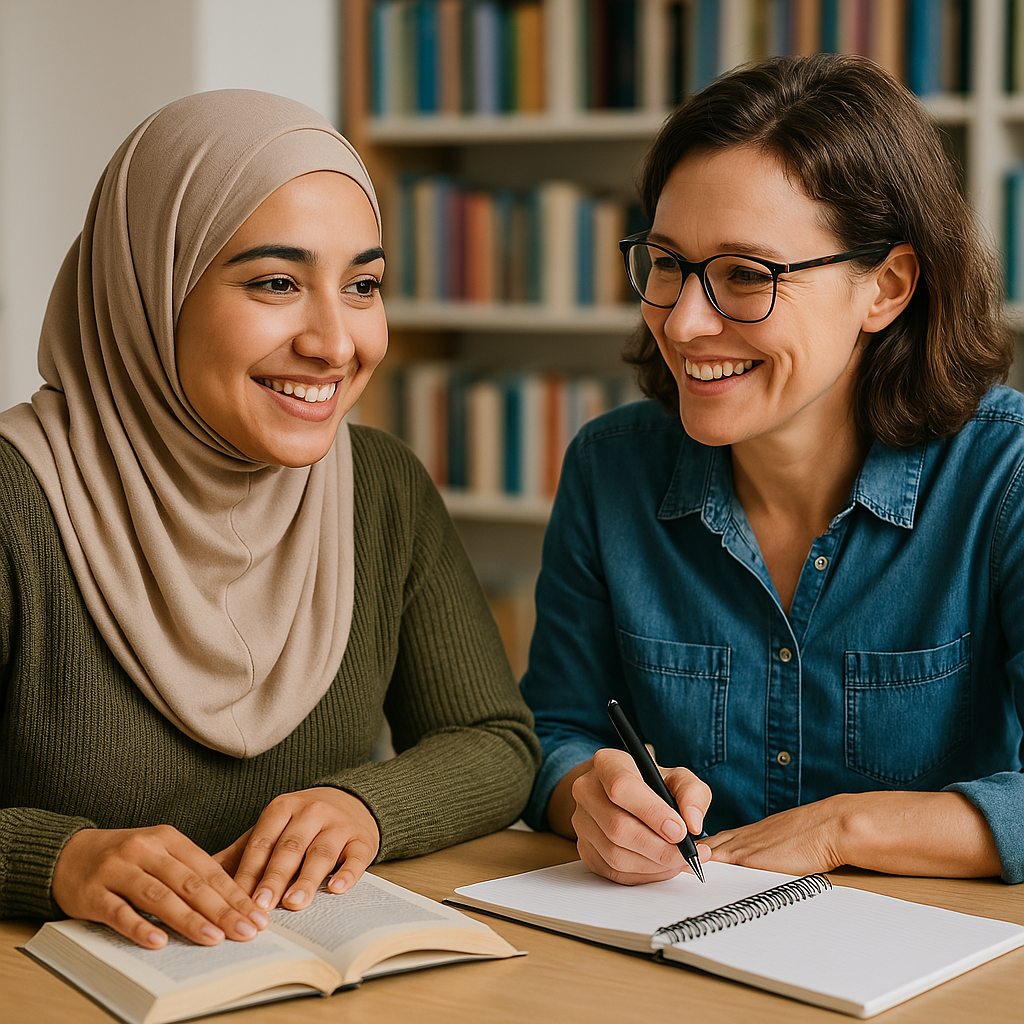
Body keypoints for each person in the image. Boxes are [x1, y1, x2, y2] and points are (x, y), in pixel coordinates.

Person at [0, 89, 539, 949]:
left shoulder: (382, 486)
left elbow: (494, 742)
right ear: (153, 284)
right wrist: (55, 857)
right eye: (276, 283)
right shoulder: (13, 499)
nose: (335, 341)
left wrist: (366, 805)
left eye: (363, 285)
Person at [520, 53, 1024, 886]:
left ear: (887, 288)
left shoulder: (1002, 475)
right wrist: (589, 795)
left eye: (747, 275)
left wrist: (842, 829)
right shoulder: (610, 469)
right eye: (669, 263)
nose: (681, 324)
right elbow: (553, 731)